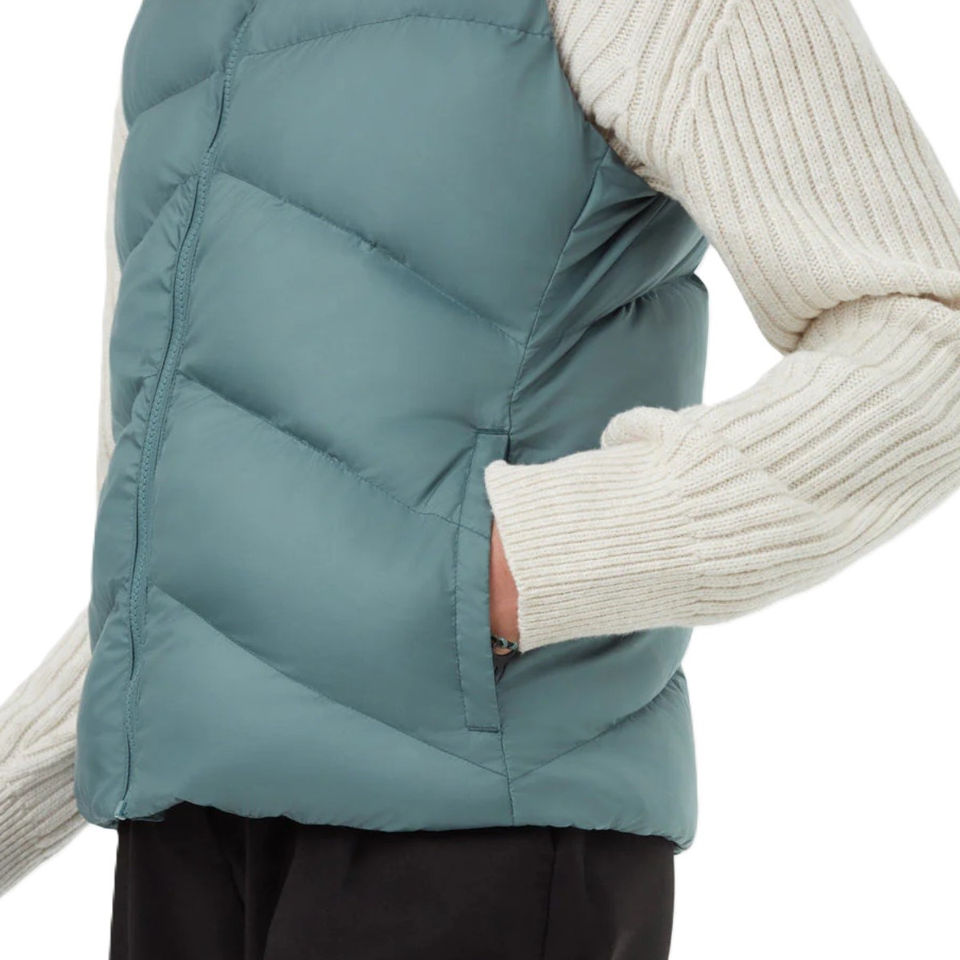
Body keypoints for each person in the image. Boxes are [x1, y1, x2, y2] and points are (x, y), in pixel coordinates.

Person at [3, 0, 960, 957]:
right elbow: (156, 550)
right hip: (178, 835)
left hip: (473, 826)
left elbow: (928, 332)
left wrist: (527, 562)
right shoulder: (181, 24)